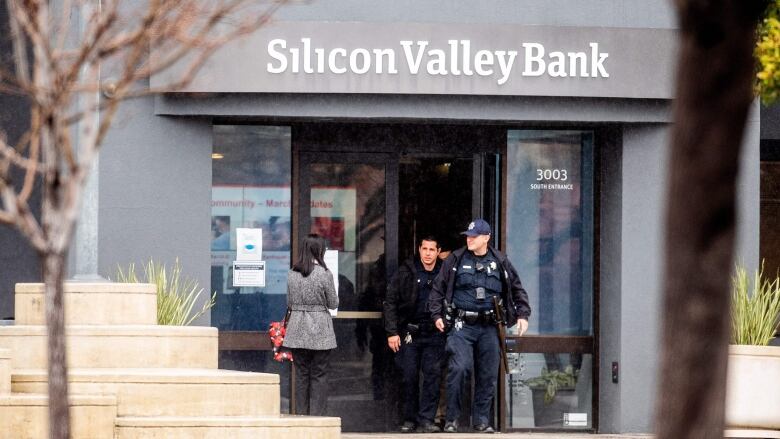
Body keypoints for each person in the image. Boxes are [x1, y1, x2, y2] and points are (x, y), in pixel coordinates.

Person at [429, 219, 531, 433]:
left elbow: (516, 288)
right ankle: (451, 419)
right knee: (459, 368)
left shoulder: (500, 261)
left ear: (486, 238)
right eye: (468, 235)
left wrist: (523, 314)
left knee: (487, 374)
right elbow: (438, 289)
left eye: (474, 236)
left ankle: (481, 420)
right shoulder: (455, 259)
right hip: (461, 325)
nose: (469, 239)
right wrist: (437, 315)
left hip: (489, 327)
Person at [383, 236, 445, 433]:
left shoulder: (444, 271)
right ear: (419, 249)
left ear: (438, 251)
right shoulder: (406, 271)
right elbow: (390, 301)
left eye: (431, 249)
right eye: (424, 248)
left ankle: (427, 420)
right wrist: (392, 332)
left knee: (432, 377)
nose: (427, 253)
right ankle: (409, 419)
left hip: (435, 333)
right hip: (410, 332)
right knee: (408, 376)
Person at [282, 234, 339, 416]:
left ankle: (301, 416)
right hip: (320, 329)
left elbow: (289, 302)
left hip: (297, 327)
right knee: (319, 375)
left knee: (301, 375)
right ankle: (318, 418)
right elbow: (333, 303)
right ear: (320, 250)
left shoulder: (292, 273)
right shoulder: (324, 274)